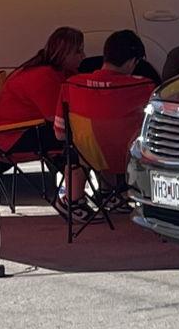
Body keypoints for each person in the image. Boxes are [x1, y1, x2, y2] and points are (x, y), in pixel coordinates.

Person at [58, 29, 157, 203]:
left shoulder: (71, 85)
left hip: (89, 158)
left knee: (86, 143)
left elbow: (60, 133)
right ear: (132, 62)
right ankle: (118, 195)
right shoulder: (145, 87)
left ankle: (75, 202)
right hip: (128, 159)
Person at [0, 26, 84, 157]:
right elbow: (57, 117)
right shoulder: (43, 76)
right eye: (78, 52)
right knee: (79, 137)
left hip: (25, 129)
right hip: (13, 135)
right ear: (65, 53)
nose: (83, 56)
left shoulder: (59, 72)